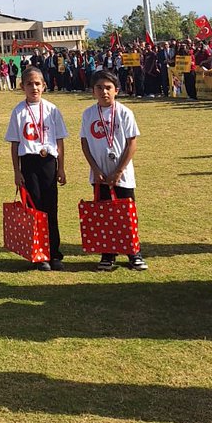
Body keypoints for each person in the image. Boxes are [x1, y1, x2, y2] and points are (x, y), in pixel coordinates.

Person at [79, 69, 147, 272]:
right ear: (93, 91)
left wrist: (118, 171)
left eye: (108, 88)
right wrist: (95, 168)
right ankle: (107, 254)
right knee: (104, 214)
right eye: (99, 88)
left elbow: (132, 144)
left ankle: (134, 252)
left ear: (116, 90)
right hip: (99, 174)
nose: (104, 92)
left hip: (122, 175)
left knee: (126, 214)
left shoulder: (125, 112)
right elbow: (84, 143)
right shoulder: (88, 113)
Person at [4, 67, 68, 271]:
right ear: (23, 86)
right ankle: (39, 254)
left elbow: (59, 141)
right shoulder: (18, 111)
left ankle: (54, 253)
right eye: (29, 84)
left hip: (49, 162)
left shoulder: (52, 109)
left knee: (51, 209)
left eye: (38, 83)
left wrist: (61, 168)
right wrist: (17, 171)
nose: (34, 87)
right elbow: (14, 144)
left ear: (44, 86)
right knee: (34, 209)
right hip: (29, 163)